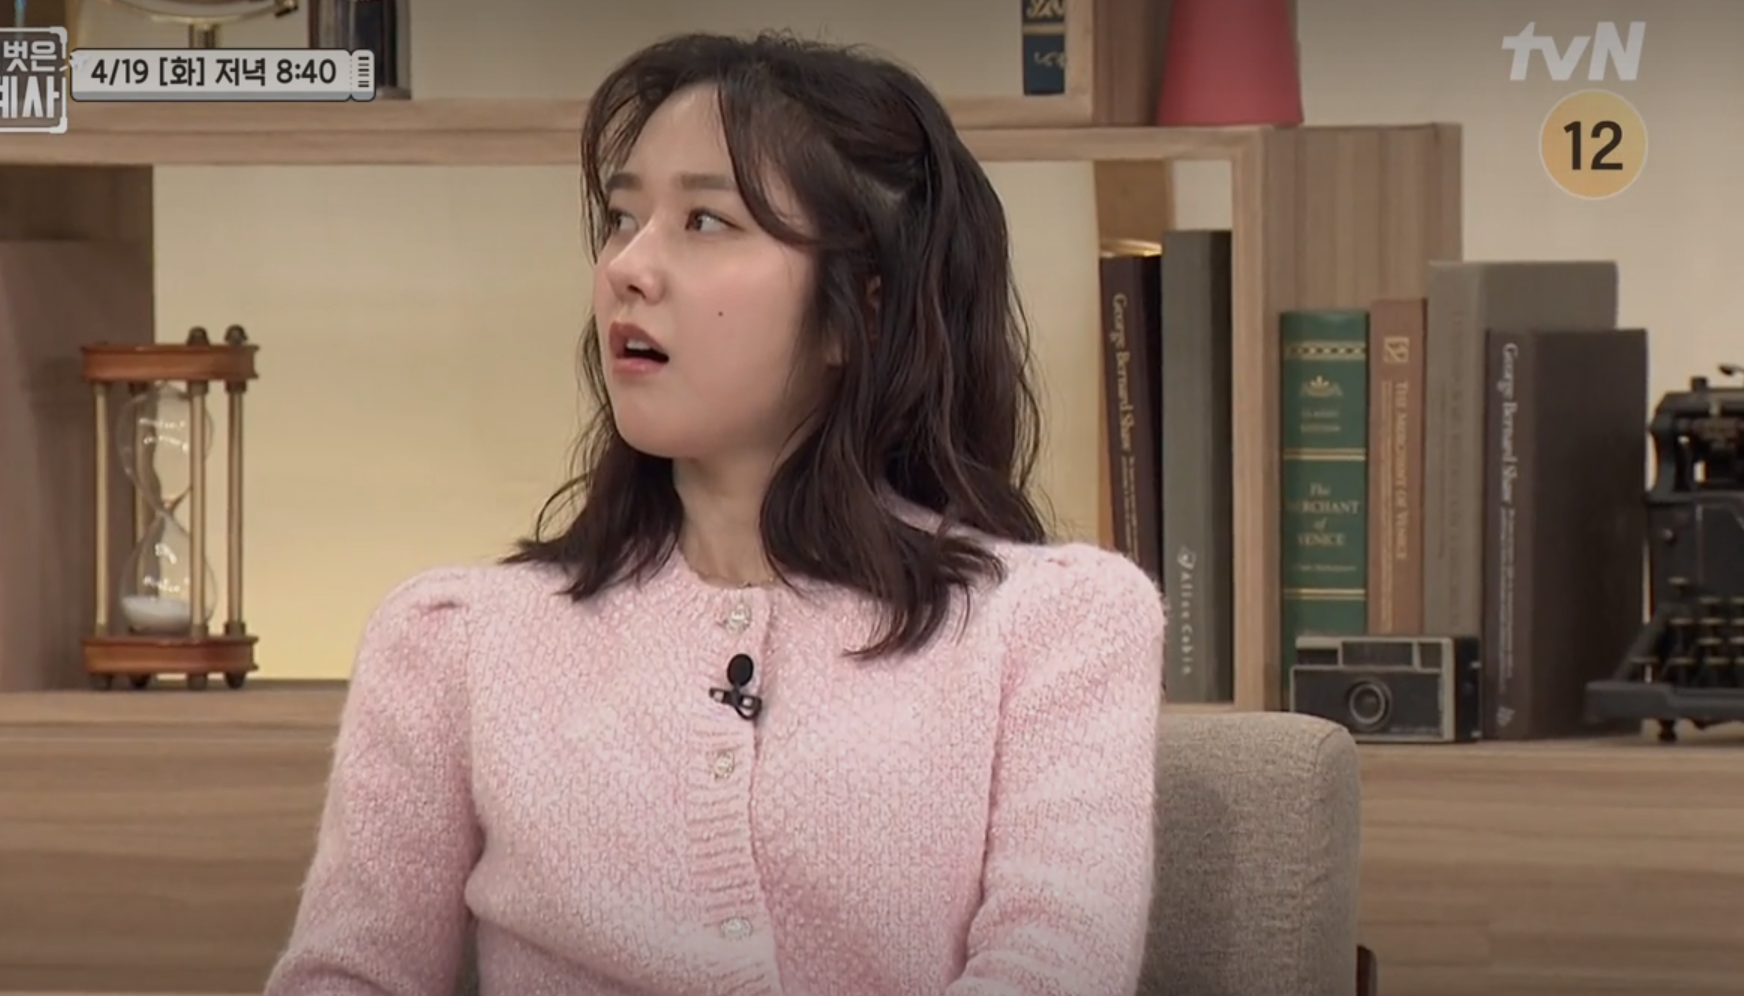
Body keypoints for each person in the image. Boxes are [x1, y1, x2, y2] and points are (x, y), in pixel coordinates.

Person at [265, 30, 1165, 996]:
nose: (628, 267)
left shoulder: (1053, 627)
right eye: (621, 218)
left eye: (704, 220)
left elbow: (1051, 971)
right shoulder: (452, 643)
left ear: (861, 309)